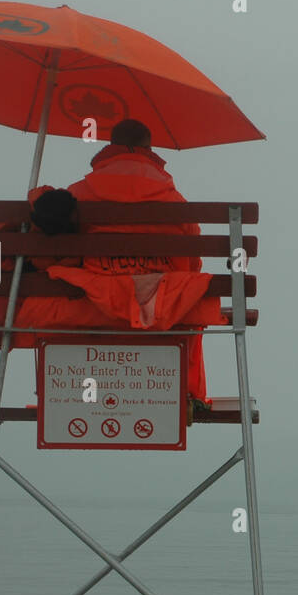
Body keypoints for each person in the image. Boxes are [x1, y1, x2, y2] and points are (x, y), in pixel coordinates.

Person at [32, 119, 220, 417]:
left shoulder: (78, 194)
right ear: (148, 149)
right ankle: (188, 395)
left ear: (110, 147)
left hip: (95, 303)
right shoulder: (174, 200)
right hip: (162, 309)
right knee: (189, 301)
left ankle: (65, 395)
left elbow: (55, 253)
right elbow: (193, 263)